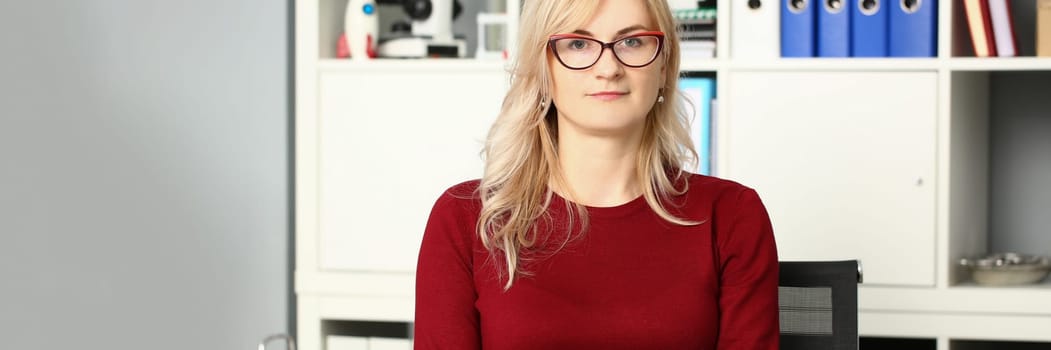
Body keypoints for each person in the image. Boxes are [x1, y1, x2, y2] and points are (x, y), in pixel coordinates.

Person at [414, 0, 779, 348]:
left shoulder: (731, 215)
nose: (608, 68)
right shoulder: (465, 219)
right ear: (543, 67)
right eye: (577, 44)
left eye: (633, 42)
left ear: (665, 64)